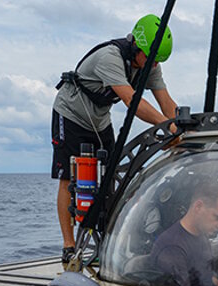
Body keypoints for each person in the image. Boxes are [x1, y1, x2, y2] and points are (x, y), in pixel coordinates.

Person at [51, 14, 178, 263]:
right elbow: (132, 102)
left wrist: (184, 126)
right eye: (151, 60)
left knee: (112, 175)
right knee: (68, 176)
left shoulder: (150, 65)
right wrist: (167, 127)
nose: (153, 66)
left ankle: (107, 238)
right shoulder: (110, 57)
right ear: (136, 45)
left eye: (158, 62)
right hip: (70, 114)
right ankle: (68, 245)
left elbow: (166, 102)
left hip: (99, 120)